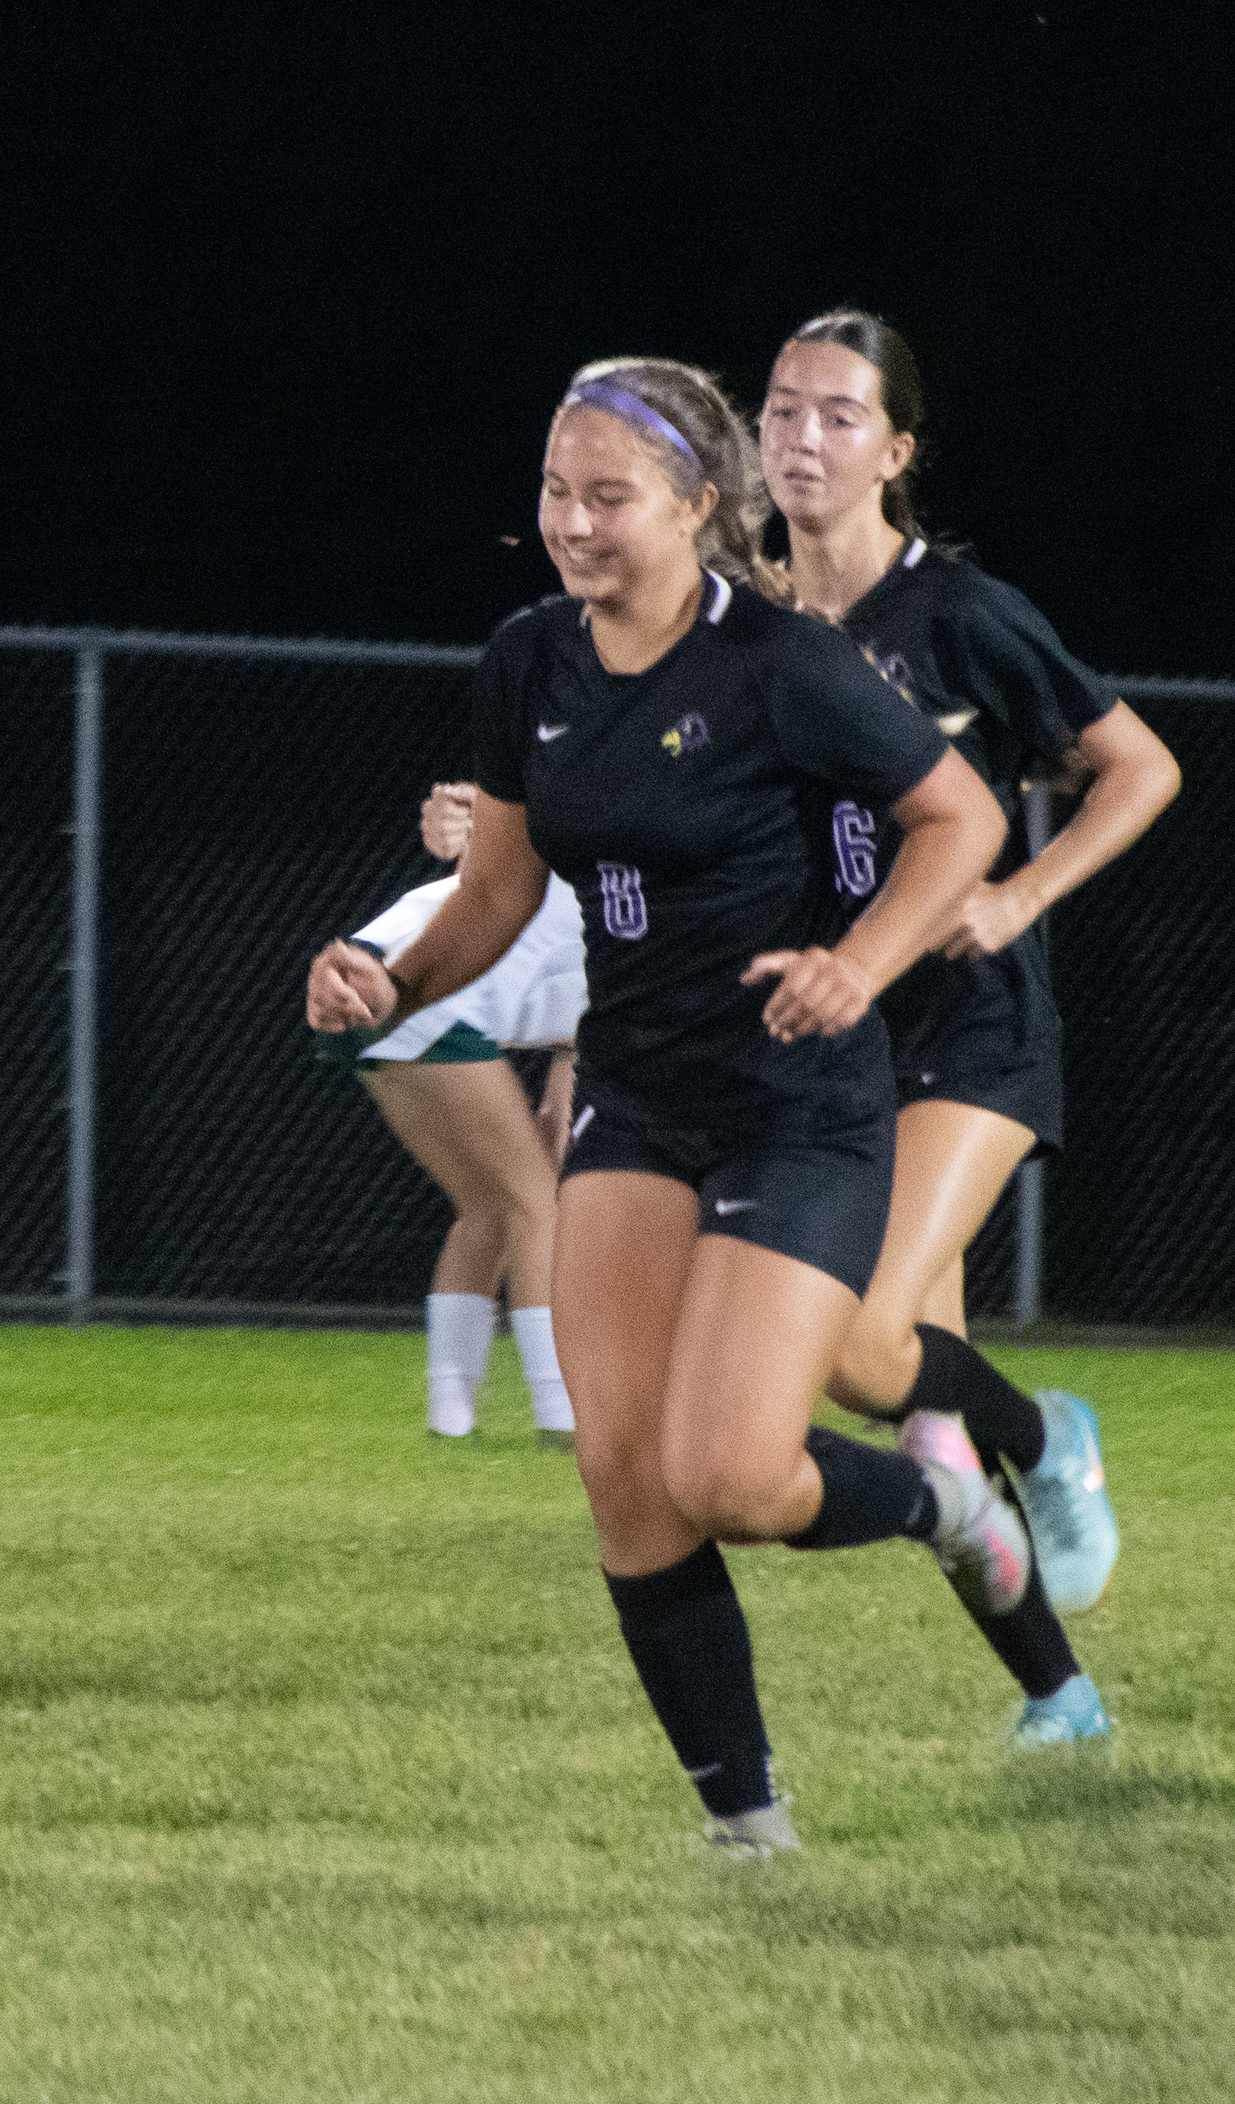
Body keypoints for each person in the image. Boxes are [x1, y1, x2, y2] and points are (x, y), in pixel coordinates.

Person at [310, 358, 1019, 1854]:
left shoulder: (781, 661)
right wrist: (389, 978)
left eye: (609, 497)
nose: (573, 523)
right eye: (555, 492)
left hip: (796, 1102)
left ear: (698, 504)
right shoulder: (529, 662)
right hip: (635, 1097)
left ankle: (947, 1510)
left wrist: (860, 963)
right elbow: (497, 891)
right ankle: (745, 1827)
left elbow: (962, 816)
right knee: (627, 1481)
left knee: (735, 1476)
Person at [765, 310, 1181, 1745]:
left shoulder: (960, 615)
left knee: (856, 1344)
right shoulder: (748, 623)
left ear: (896, 451)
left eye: (839, 415)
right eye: (783, 409)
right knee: (923, 1422)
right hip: (832, 1038)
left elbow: (1140, 767)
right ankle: (1062, 1698)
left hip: (971, 1029)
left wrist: (1018, 896)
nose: (803, 438)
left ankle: (1052, 1434)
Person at [319, 781, 582, 1439]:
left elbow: (566, 1089)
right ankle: (561, 1411)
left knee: (489, 1209)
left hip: (366, 994)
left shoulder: (618, 920)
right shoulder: (646, 936)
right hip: (412, 993)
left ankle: (450, 1413)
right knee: (537, 1206)